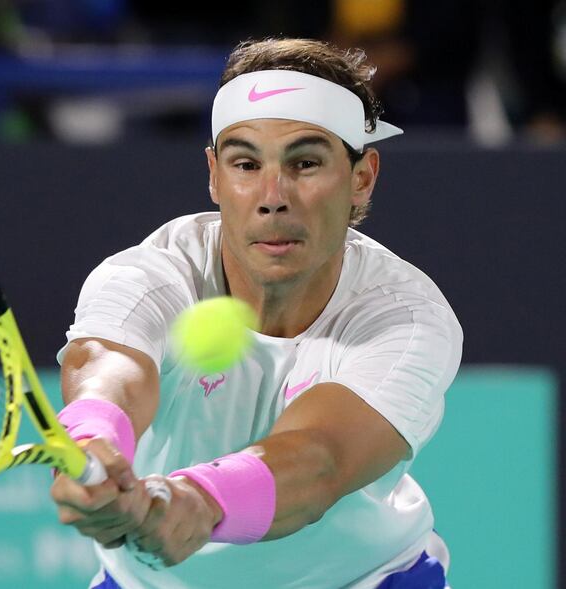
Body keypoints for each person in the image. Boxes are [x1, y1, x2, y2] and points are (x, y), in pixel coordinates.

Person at [50, 37, 463, 589]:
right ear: (215, 176)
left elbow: (318, 461)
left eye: (306, 162)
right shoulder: (146, 276)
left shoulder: (406, 318)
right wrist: (92, 444)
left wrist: (198, 500)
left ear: (362, 176)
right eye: (246, 163)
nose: (273, 196)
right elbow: (107, 369)